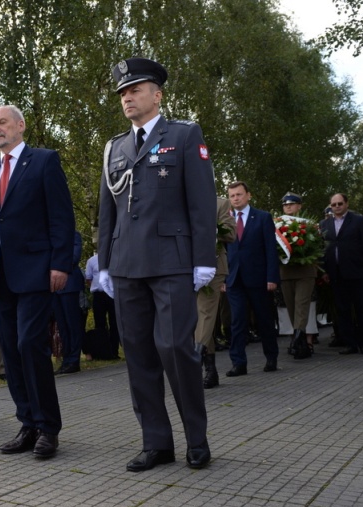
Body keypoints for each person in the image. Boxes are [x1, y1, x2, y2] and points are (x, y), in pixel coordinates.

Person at [97, 58, 216, 471]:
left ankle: (196, 439)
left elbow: (201, 203)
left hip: (171, 262)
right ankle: (156, 442)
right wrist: (105, 264)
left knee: (175, 349)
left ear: (157, 94)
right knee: (139, 354)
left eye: (135, 90)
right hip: (127, 265)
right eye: (123, 93)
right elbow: (107, 212)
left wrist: (203, 260)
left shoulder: (183, 135)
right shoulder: (115, 146)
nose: (128, 97)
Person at [0, 105, 74, 460]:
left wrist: (61, 263)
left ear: (20, 125)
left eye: (1, 122)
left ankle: (49, 427)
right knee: (11, 351)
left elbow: (62, 217)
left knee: (31, 345)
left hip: (35, 272)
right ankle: (27, 423)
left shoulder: (44, 161)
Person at [223, 181, 281, 375]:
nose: (236, 198)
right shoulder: (225, 219)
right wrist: (223, 278)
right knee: (237, 322)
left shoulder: (263, 217)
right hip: (234, 280)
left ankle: (271, 357)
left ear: (248, 195)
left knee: (264, 320)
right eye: (232, 196)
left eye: (239, 194)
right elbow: (222, 251)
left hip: (258, 279)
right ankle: (238, 363)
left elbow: (271, 250)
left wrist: (271, 277)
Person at [319, 193, 363, 355]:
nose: (336, 207)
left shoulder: (358, 220)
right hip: (336, 274)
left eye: (339, 204)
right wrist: (324, 271)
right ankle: (349, 344)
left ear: (346, 204)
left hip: (357, 272)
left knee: (361, 309)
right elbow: (323, 250)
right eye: (333, 204)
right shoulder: (324, 224)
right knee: (342, 310)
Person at [195, 197, 236, 388]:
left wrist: (204, 230)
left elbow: (231, 234)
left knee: (205, 314)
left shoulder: (220, 203)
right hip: (183, 266)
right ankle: (209, 369)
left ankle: (194, 361)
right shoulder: (177, 200)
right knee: (197, 319)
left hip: (212, 266)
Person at [277, 193, 319, 358]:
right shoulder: (277, 225)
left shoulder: (309, 224)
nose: (288, 206)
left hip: (305, 271)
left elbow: (317, 247)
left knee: (301, 305)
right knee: (291, 307)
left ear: (299, 206)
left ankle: (299, 340)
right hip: (286, 272)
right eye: (285, 204)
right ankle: (300, 343)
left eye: (292, 204)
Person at [52, 231, 85, 374]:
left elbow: (74, 257)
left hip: (69, 284)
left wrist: (55, 266)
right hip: (54, 288)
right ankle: (66, 360)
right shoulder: (49, 236)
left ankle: (74, 360)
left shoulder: (73, 235)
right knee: (62, 326)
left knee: (73, 324)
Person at [84, 248, 119, 359]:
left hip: (113, 294)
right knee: (100, 324)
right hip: (99, 295)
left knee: (114, 323)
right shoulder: (92, 261)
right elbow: (88, 278)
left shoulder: (115, 257)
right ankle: (102, 352)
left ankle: (114, 351)